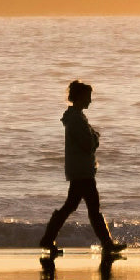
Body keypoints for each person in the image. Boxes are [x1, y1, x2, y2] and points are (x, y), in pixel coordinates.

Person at [39, 80, 127, 257]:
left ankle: (48, 240)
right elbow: (88, 145)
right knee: (90, 208)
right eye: (88, 97)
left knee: (73, 207)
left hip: (79, 170)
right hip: (82, 172)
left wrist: (93, 136)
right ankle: (107, 244)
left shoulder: (76, 118)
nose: (90, 101)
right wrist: (95, 137)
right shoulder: (76, 120)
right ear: (80, 97)